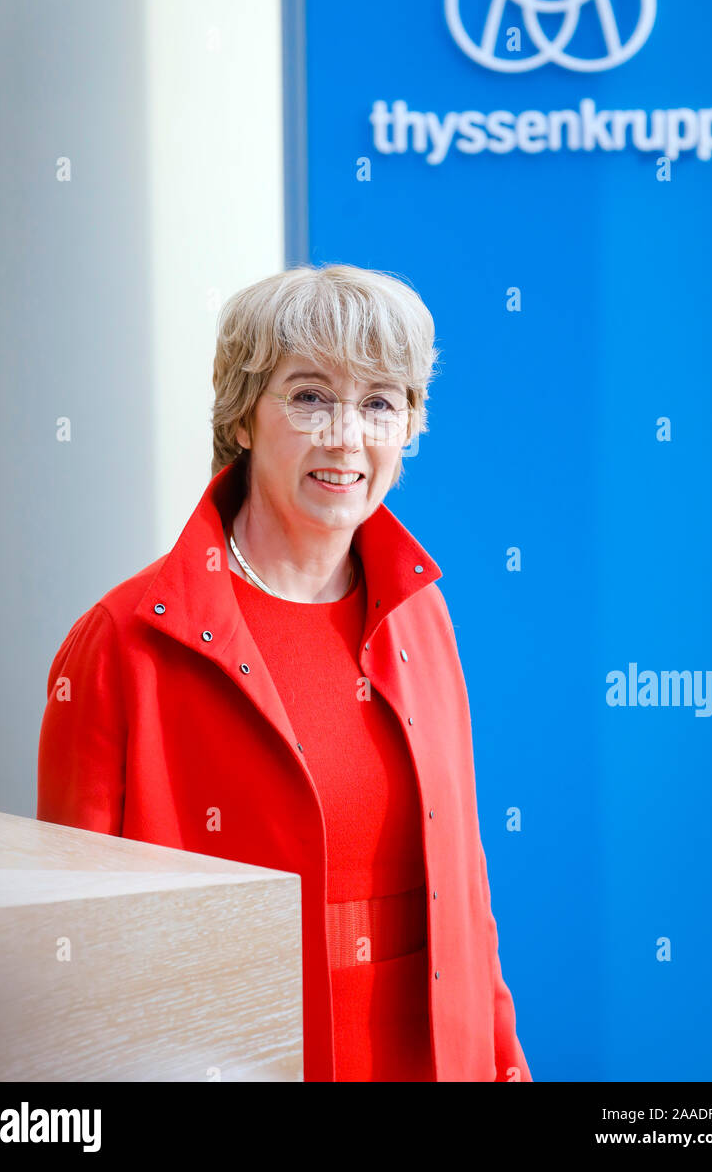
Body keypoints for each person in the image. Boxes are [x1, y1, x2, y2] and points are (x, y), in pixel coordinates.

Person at [38, 262, 532, 1083]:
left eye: (380, 402)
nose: (347, 435)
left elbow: (463, 892)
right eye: (310, 397)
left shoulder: (421, 613)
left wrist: (506, 1066)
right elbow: (71, 950)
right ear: (242, 418)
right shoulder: (121, 641)